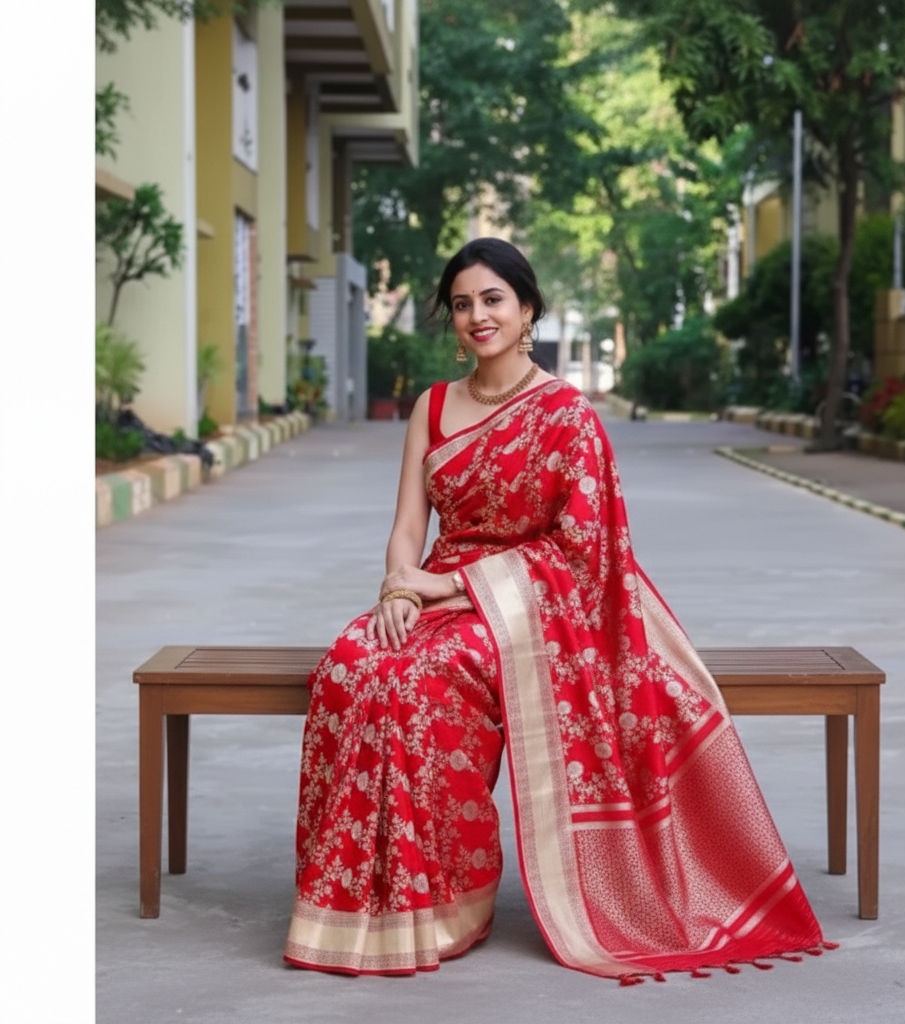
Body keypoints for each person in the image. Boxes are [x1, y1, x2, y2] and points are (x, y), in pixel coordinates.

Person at [283, 238, 830, 982]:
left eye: (493, 300)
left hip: (524, 606)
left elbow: (582, 550)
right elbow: (409, 523)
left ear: (527, 308)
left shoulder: (566, 415)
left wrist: (454, 586)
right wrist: (402, 585)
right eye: (465, 304)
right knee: (354, 664)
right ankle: (358, 900)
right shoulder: (434, 405)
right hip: (438, 587)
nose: (478, 316)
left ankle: (448, 897)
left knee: (421, 681)